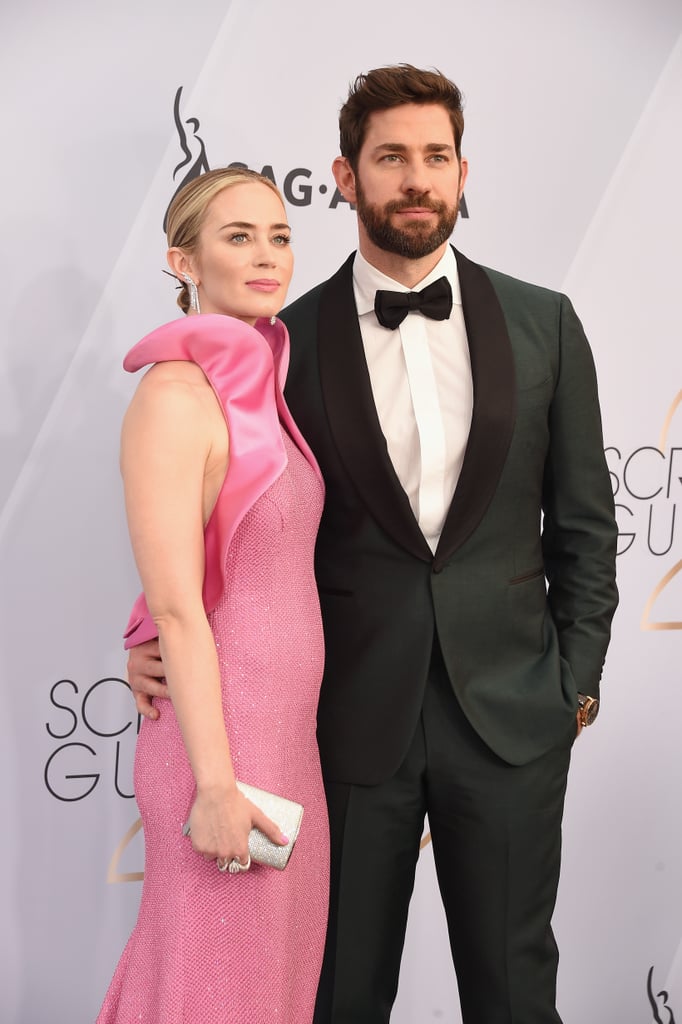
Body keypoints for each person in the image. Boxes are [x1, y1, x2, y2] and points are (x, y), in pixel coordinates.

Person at [128, 66, 618, 1024]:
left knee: (517, 995)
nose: (415, 178)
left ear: (463, 172)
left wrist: (577, 685)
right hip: (343, 727)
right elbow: (229, 521)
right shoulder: (279, 342)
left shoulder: (545, 322)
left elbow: (587, 523)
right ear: (346, 177)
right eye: (390, 158)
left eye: (435, 156)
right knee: (340, 995)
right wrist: (150, 636)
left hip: (515, 718)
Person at [97, 167, 329, 1024]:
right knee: (209, 991)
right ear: (180, 258)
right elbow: (177, 608)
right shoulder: (173, 395)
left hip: (285, 745)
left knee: (268, 993)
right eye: (238, 237)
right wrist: (216, 783)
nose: (268, 255)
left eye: (279, 234)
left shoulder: (261, 388)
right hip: (220, 753)